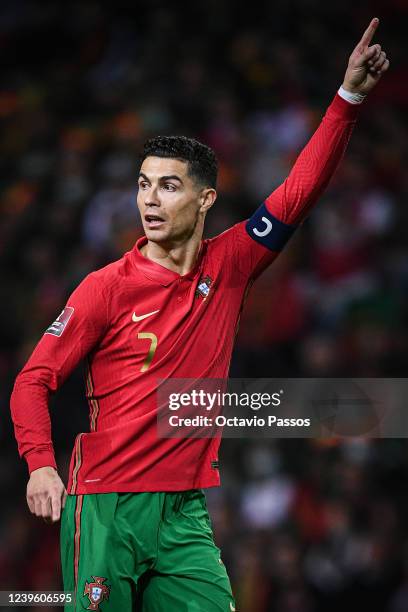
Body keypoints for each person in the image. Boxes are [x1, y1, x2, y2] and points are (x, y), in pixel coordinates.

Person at [10, 17, 389, 612]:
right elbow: (32, 380)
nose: (149, 200)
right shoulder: (104, 288)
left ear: (206, 198)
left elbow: (299, 191)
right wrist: (39, 464)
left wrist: (348, 98)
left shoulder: (232, 263)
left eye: (167, 187)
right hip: (106, 505)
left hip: (184, 510)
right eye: (142, 185)